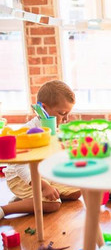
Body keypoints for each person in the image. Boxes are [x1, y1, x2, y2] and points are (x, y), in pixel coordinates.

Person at [0, 80, 81, 220]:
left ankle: (27, 200)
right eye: (63, 113)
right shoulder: (28, 131)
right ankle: (5, 210)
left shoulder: (52, 129)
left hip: (41, 174)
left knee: (77, 192)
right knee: (54, 204)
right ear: (43, 109)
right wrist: (44, 187)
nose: (66, 119)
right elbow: (21, 168)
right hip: (20, 177)